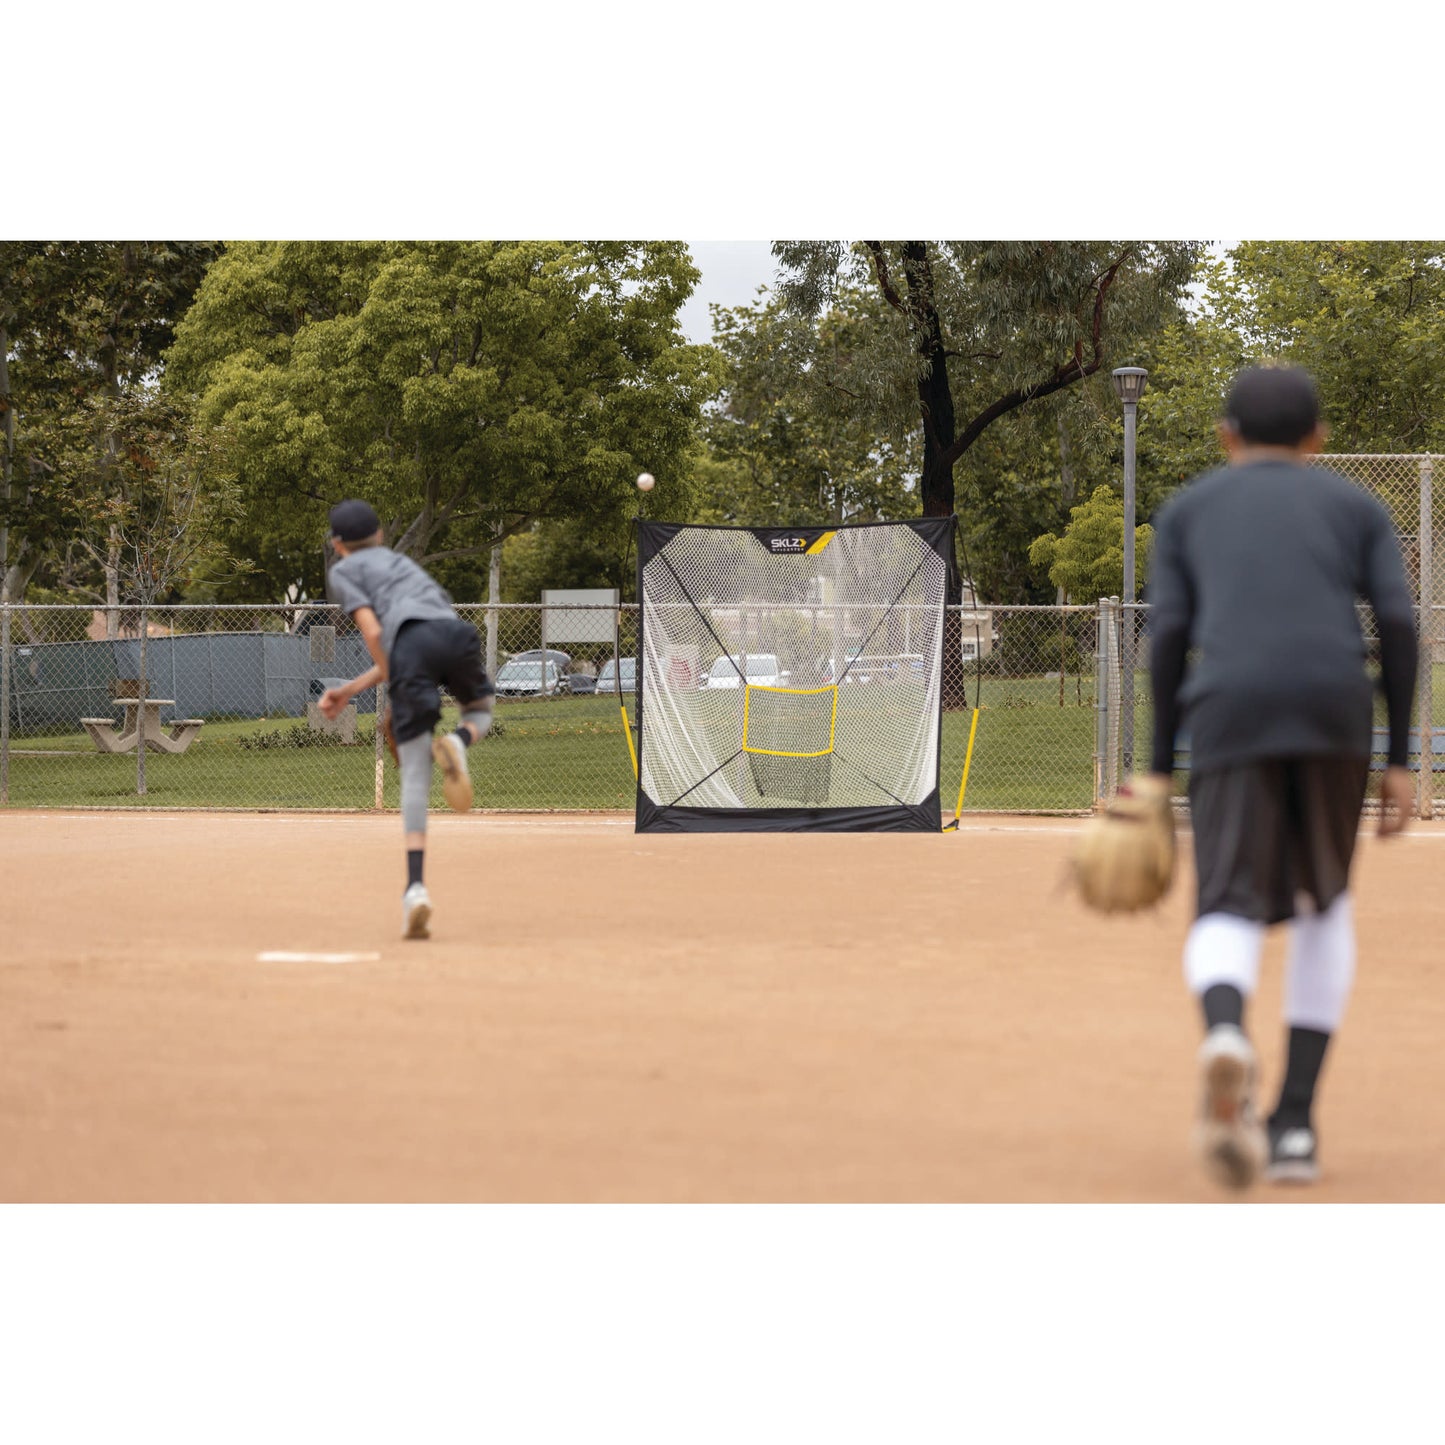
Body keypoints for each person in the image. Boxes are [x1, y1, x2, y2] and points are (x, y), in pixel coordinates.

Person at [1147, 366, 1418, 1189]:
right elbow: (1399, 625)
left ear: (1225, 435)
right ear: (1317, 439)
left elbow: (1165, 639)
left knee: (1224, 897)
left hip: (1229, 708)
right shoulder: (1354, 506)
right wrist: (1400, 757)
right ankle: (1294, 1125)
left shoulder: (1189, 508)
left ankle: (1225, 1031)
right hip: (1334, 710)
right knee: (1321, 903)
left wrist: (1157, 770)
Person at [318, 500, 494, 940]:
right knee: (481, 708)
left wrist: (399, 685)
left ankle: (415, 890)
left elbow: (378, 635)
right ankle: (460, 739)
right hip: (455, 635)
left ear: (338, 545)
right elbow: (419, 635)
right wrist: (350, 689)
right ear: (379, 535)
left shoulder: (343, 571)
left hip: (410, 646)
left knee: (415, 774)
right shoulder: (400, 563)